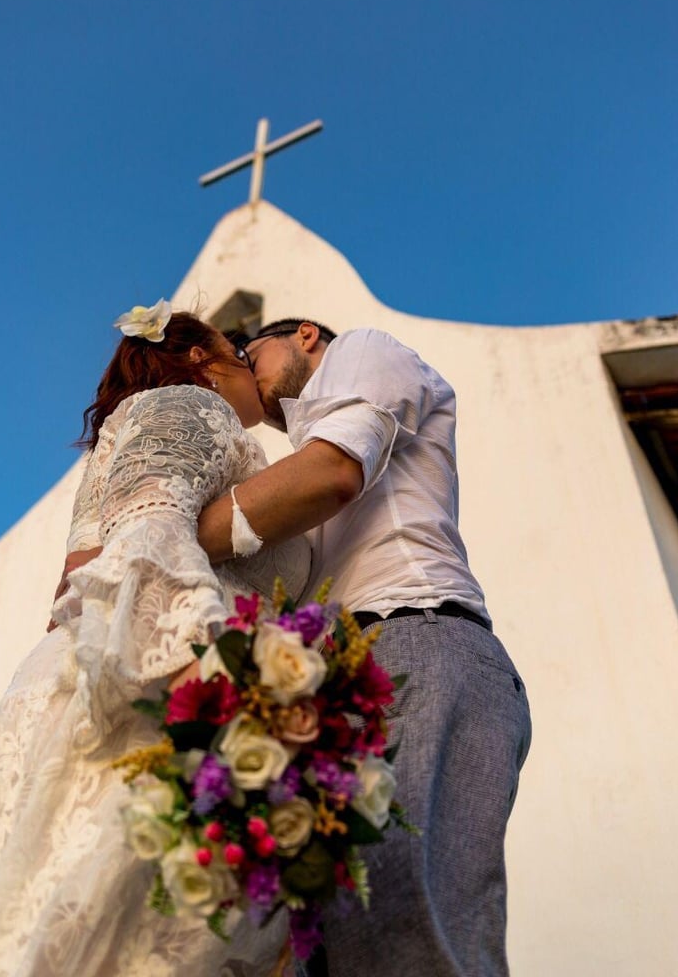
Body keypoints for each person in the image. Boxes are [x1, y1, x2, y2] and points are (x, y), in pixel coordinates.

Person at [0, 304, 310, 977]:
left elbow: (82, 570)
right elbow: (150, 530)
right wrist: (215, 685)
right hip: (150, 682)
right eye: (235, 352)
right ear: (200, 360)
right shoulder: (192, 407)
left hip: (90, 675)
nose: (247, 365)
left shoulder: (135, 423)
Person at [196, 319, 532, 977]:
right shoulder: (293, 461)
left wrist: (162, 532)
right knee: (318, 947)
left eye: (249, 355)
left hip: (413, 638)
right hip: (340, 686)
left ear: (304, 336)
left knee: (402, 919)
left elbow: (335, 472)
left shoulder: (361, 351)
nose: (245, 372)